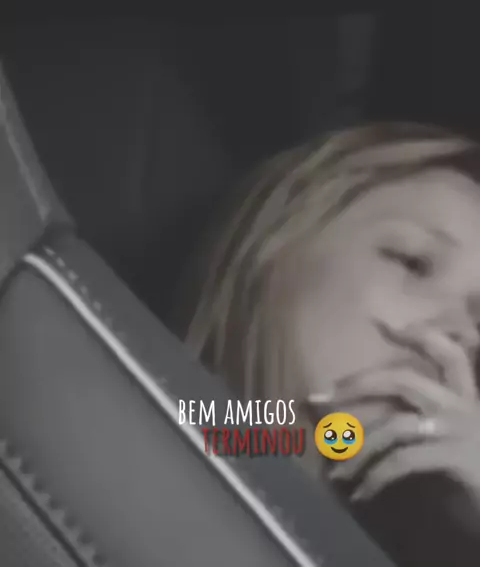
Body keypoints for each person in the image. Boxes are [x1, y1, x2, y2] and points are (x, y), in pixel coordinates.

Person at [186, 122, 480, 566]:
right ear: (274, 247)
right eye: (414, 262)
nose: (463, 334)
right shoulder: (145, 418)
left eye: (478, 317)